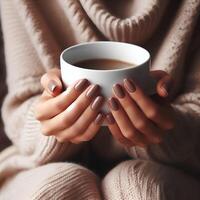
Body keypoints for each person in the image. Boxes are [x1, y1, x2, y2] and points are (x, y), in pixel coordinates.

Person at [0, 0, 200, 199]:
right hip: (37, 164)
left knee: (139, 187)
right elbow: (20, 110)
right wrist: (49, 121)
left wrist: (168, 129)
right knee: (59, 188)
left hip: (178, 166)